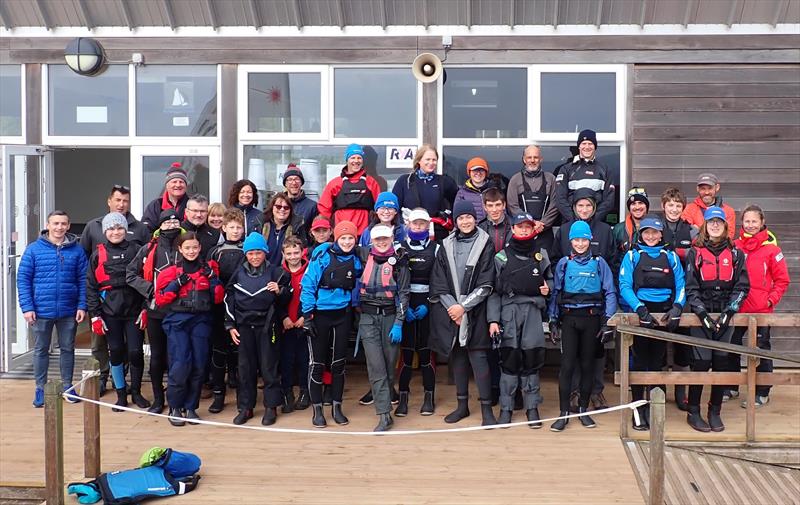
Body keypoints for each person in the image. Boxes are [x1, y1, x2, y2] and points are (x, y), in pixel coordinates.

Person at [429, 200, 497, 426]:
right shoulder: (445, 245)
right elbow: (438, 284)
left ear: (475, 219)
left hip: (475, 312)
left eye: (469, 217)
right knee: (457, 359)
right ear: (455, 221)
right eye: (461, 218)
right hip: (452, 314)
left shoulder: (485, 243)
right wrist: (454, 310)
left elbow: (487, 283)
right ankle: (462, 406)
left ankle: (487, 409)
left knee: (479, 359)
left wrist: (464, 307)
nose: (465, 221)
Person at [80, 185, 151, 395]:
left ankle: (136, 392)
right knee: (115, 351)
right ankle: (119, 392)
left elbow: (147, 279)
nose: (116, 231)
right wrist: (95, 315)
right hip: (109, 310)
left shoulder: (137, 248)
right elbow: (91, 285)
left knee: (136, 351)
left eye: (120, 228)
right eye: (111, 229)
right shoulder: (96, 251)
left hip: (134, 310)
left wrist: (146, 307)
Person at [684, 206, 749, 432]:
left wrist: (730, 311)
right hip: (701, 313)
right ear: (705, 225)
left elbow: (742, 286)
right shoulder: (695, 252)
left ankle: (715, 411)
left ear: (725, 226)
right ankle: (693, 411)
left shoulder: (736, 254)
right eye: (710, 222)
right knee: (701, 364)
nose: (714, 225)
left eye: (718, 222)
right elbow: (690, 287)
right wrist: (701, 312)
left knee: (721, 363)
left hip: (725, 313)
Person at [548, 221, 617, 432]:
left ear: (589, 240)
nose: (580, 243)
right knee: (567, 366)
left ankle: (584, 410)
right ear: (570, 241)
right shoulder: (563, 263)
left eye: (583, 239)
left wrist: (607, 322)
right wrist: (552, 320)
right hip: (569, 319)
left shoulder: (599, 263)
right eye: (576, 240)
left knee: (588, 365)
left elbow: (610, 292)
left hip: (592, 319)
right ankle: (563, 413)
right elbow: (555, 293)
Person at [618, 215, 686, 430]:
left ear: (661, 234)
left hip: (663, 316)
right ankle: (638, 409)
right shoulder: (632, 255)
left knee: (658, 362)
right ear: (641, 233)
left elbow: (681, 284)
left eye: (654, 232)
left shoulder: (671, 256)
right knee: (639, 362)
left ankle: (655, 407)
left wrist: (677, 307)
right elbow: (624, 284)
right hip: (641, 314)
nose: (650, 236)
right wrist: (639, 309)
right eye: (646, 232)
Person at [488, 213, 553, 427]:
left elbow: (551, 281)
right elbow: (494, 292)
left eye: (528, 226)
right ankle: (506, 408)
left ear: (533, 229)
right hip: (509, 311)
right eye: (520, 226)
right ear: (513, 229)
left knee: (532, 360)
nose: (524, 230)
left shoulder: (541, 254)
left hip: (533, 310)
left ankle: (532, 408)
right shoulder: (501, 257)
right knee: (508, 361)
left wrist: (548, 288)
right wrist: (493, 320)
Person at [18, 210, 88, 407]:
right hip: (40, 310)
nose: (59, 227)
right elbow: (23, 279)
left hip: (68, 309)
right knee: (41, 349)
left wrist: (82, 305)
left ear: (68, 225)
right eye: (55, 223)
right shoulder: (33, 250)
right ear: (48, 225)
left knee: (68, 348)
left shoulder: (77, 250)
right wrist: (27, 307)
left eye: (63, 224)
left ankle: (67, 386)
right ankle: (40, 388)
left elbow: (83, 280)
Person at [155, 231, 224, 426]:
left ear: (200, 248)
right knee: (180, 364)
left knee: (199, 364)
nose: (192, 251)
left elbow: (218, 298)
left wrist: (212, 280)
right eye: (187, 248)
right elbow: (160, 300)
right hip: (177, 321)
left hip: (201, 320)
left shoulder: (208, 270)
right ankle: (175, 406)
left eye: (195, 247)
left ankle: (191, 406)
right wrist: (176, 285)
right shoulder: (170, 272)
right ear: (180, 249)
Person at [300, 221, 363, 428]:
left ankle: (337, 407)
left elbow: (359, 283)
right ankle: (317, 410)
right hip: (320, 315)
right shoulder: (322, 257)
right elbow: (307, 285)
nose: (347, 241)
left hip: (342, 316)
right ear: (335, 238)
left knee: (338, 364)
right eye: (343, 238)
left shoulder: (355, 260)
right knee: (317, 365)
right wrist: (307, 315)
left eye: (350, 238)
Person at [728, 205, 790, 408]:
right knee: (731, 347)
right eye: (747, 221)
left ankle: (762, 392)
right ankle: (732, 387)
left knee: (761, 350)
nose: (751, 225)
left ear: (762, 222)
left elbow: (782, 280)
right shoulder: (735, 246)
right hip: (738, 308)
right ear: (742, 223)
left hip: (761, 310)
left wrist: (770, 300)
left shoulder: (773, 249)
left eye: (754, 221)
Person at [224, 232, 287, 426]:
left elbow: (288, 299)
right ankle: (246, 407)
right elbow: (229, 299)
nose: (255, 257)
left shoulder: (277, 272)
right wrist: (230, 325)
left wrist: (279, 291)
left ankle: (271, 407)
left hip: (268, 327)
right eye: (251, 253)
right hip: (244, 328)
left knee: (269, 367)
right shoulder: (238, 273)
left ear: (265, 253)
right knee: (245, 369)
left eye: (258, 252)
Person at [126, 210, 184, 414]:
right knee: (158, 356)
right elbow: (130, 274)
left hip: (181, 310)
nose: (171, 225)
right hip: (155, 310)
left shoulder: (186, 245)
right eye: (167, 223)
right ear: (160, 226)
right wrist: (150, 290)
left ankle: (176, 399)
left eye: (175, 221)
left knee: (178, 356)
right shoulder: (148, 249)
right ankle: (158, 398)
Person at [355, 225, 410, 431]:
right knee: (376, 366)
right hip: (368, 318)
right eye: (377, 239)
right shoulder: (363, 255)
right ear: (371, 240)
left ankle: (387, 397)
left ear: (391, 238)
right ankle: (384, 414)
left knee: (388, 366)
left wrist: (399, 322)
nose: (381, 242)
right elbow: (340, 246)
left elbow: (404, 294)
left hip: (390, 317)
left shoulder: (400, 262)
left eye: (384, 239)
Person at [396, 209, 438, 416]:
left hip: (426, 303)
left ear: (427, 225)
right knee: (406, 353)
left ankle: (429, 397)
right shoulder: (399, 249)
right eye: (415, 224)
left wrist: (429, 305)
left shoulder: (436, 248)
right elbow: (393, 281)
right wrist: (402, 307)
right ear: (409, 226)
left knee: (425, 353)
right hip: (406, 302)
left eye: (422, 224)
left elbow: (440, 281)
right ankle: (403, 397)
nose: (418, 227)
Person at [660, 187, 698, 410]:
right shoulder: (655, 229)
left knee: (684, 343)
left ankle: (681, 391)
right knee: (659, 343)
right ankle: (659, 389)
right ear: (663, 206)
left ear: (683, 208)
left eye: (678, 205)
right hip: (660, 294)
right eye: (670, 205)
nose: (674, 209)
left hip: (685, 295)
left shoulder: (692, 231)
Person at [206, 208, 246, 414]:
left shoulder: (247, 248)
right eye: (232, 227)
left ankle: (240, 394)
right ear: (224, 228)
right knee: (219, 350)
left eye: (239, 227)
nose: (236, 231)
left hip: (241, 306)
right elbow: (208, 277)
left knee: (238, 351)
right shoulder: (215, 250)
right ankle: (218, 394)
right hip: (218, 306)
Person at [392, 144, 458, 241]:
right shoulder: (405, 181)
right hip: (410, 233)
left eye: (434, 160)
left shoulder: (445, 181)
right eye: (427, 159)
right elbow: (395, 208)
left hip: (437, 236)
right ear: (419, 160)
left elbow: (456, 204)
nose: (431, 162)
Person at [554, 130, 616, 224]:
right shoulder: (566, 169)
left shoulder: (605, 169)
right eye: (584, 143)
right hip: (571, 223)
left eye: (590, 143)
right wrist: (575, 220)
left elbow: (609, 201)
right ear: (579, 146)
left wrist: (593, 220)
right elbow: (560, 199)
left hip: (596, 224)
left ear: (595, 146)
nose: (587, 147)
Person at [278, 236, 311, 413]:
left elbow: (315, 295)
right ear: (283, 254)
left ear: (302, 252)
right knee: (286, 360)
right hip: (286, 324)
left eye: (296, 252)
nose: (293, 256)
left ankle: (305, 392)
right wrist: (284, 317)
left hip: (304, 322)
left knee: (304, 359)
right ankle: (287, 393)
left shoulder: (310, 270)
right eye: (289, 253)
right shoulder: (279, 273)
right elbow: (275, 300)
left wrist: (305, 317)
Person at [506, 145, 560, 253]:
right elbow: (512, 205)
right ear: (524, 159)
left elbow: (555, 204)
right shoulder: (515, 180)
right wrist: (530, 223)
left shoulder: (551, 179)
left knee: (545, 265)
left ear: (541, 159)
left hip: (544, 232)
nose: (532, 160)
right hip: (523, 232)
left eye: (535, 157)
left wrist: (543, 224)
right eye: (529, 157)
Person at [318, 144, 381, 236]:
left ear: (363, 160)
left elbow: (379, 207)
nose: (356, 161)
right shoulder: (335, 183)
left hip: (365, 234)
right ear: (347, 160)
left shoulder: (371, 182)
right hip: (341, 234)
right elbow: (324, 209)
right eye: (353, 158)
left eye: (359, 158)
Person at [81, 185, 151, 254]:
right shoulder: (93, 226)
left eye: (125, 201)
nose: (121, 205)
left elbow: (148, 256)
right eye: (118, 200)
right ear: (109, 202)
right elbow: (82, 257)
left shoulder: (141, 228)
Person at [552, 188, 615, 264]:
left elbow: (613, 261)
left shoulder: (605, 230)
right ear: (574, 207)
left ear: (594, 207)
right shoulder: (564, 230)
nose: (584, 210)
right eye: (580, 205)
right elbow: (555, 260)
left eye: (588, 205)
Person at [682, 173, 736, 239]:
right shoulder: (688, 209)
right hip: (696, 248)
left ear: (717, 187)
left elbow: (728, 236)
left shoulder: (729, 211)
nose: (706, 192)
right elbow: (688, 234)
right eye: (703, 189)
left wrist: (699, 230)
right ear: (697, 189)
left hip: (720, 249)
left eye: (710, 188)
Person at [141, 163, 190, 233]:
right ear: (167, 185)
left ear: (186, 185)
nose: (178, 185)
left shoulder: (192, 205)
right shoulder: (156, 205)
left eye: (181, 182)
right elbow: (146, 230)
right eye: (174, 182)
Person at [262, 193, 306, 266]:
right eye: (278, 207)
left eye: (286, 207)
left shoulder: (297, 227)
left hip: (286, 272)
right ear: (272, 207)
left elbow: (303, 250)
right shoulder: (261, 225)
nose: (282, 209)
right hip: (264, 272)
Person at [454, 157, 498, 222]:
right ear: (469, 172)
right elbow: (456, 216)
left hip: (492, 229)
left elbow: (502, 212)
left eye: (481, 170)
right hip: (472, 230)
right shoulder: (462, 193)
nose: (478, 173)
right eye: (475, 170)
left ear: (486, 172)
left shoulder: (494, 190)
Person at [613, 187, 650, 263]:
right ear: (629, 207)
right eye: (633, 204)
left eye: (641, 203)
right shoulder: (619, 229)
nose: (637, 207)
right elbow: (613, 257)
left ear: (646, 206)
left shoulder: (654, 228)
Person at [181, 194, 220, 259]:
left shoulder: (215, 233)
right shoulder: (177, 231)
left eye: (202, 211)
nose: (199, 215)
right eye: (195, 211)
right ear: (186, 212)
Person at [283, 163, 318, 229]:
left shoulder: (312, 206)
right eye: (290, 180)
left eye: (297, 179)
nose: (294, 183)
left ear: (301, 182)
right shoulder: (278, 205)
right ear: (285, 184)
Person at [477, 188, 512, 254]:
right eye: (490, 206)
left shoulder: (513, 226)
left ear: (504, 205)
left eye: (498, 205)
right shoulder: (480, 228)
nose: (494, 210)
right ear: (485, 207)